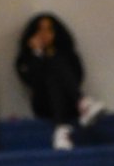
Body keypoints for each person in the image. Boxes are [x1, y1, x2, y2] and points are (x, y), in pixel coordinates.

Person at [15, 12, 105, 150]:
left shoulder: (67, 55)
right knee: (52, 70)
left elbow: (78, 78)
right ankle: (84, 104)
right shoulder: (26, 58)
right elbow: (31, 81)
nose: (44, 34)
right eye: (40, 30)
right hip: (44, 105)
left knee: (56, 63)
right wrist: (38, 53)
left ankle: (61, 129)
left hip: (69, 103)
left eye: (49, 29)